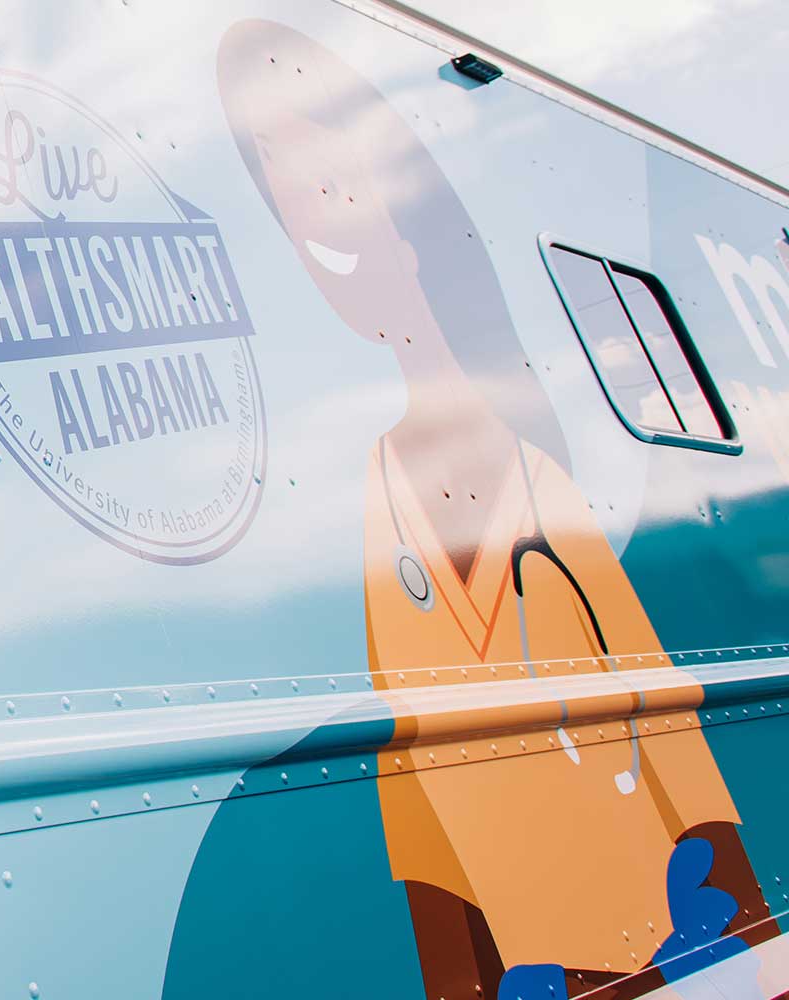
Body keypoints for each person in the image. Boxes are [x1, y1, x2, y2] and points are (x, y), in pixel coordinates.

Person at [212, 19, 769, 1000]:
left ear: (411, 202)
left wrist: (743, 934)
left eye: (326, 157)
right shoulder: (376, 499)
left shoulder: (539, 477)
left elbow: (667, 717)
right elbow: (413, 794)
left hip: (671, 953)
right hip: (547, 971)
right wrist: (460, 983)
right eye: (280, 180)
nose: (315, 208)